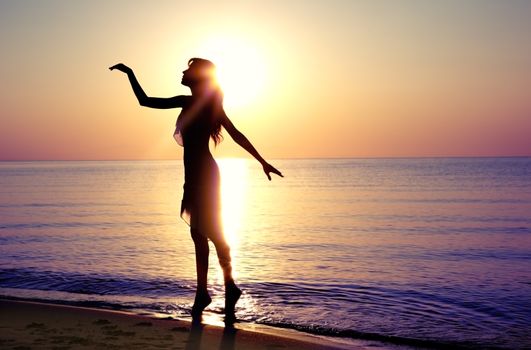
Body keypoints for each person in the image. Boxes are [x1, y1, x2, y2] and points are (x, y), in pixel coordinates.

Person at [109, 59, 282, 321]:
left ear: (198, 77)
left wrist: (262, 162)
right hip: (195, 174)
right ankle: (210, 290)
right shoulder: (202, 104)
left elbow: (236, 134)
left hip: (204, 175)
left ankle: (225, 287)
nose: (182, 72)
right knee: (198, 233)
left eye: (187, 70)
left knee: (211, 232)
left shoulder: (195, 103)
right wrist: (130, 73)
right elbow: (145, 101)